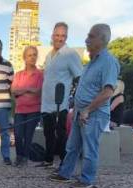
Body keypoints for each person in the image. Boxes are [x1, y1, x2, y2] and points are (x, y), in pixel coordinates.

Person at [49, 24, 120, 188]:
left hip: (93, 114)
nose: (86, 40)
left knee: (89, 149)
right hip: (80, 113)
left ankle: (86, 179)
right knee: (72, 146)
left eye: (91, 36)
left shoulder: (108, 62)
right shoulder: (90, 63)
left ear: (102, 40)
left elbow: (108, 92)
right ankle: (65, 173)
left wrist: (88, 109)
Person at [38, 22, 83, 168]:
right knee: (48, 134)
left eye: (63, 36)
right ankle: (49, 160)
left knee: (61, 135)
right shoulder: (49, 56)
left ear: (67, 37)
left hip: (60, 103)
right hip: (46, 103)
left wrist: (75, 100)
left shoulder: (70, 54)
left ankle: (65, 165)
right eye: (57, 35)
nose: (60, 38)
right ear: (52, 36)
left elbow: (80, 78)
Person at [11, 46, 43, 167]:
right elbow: (13, 91)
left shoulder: (40, 74)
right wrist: (29, 90)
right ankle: (19, 156)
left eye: (34, 55)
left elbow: (39, 91)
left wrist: (23, 90)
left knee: (28, 135)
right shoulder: (18, 75)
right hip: (20, 110)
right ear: (24, 58)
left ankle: (24, 158)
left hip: (34, 109)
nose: (32, 57)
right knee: (18, 135)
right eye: (29, 55)